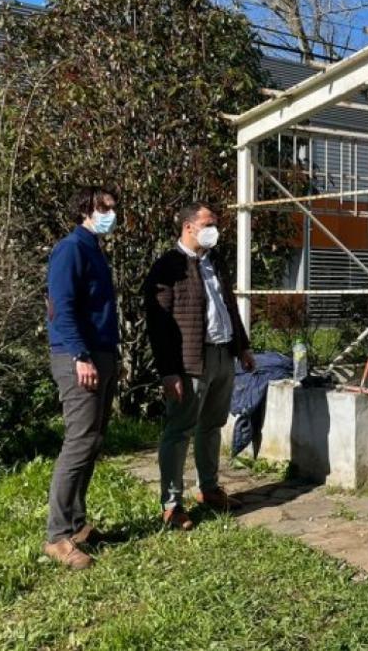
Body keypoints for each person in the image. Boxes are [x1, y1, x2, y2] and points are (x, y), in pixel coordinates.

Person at [144, 202, 254, 530]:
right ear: (189, 227)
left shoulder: (214, 262)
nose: (214, 229)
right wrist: (169, 371)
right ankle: (172, 504)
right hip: (190, 361)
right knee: (179, 431)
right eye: (208, 223)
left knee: (212, 425)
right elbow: (158, 325)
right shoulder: (167, 267)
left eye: (216, 224)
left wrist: (242, 346)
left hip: (222, 355)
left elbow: (229, 306)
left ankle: (209, 490)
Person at [43, 186, 121, 570]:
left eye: (112, 207)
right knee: (78, 443)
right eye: (103, 207)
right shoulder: (71, 248)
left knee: (92, 441)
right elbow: (61, 306)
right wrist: (80, 355)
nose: (110, 212)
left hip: (100, 356)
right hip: (80, 359)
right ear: (84, 210)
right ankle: (57, 536)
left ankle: (76, 525)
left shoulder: (94, 249)